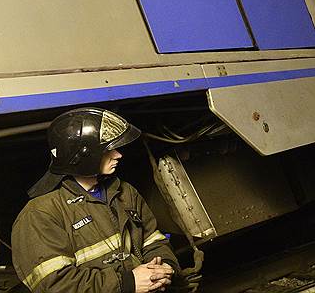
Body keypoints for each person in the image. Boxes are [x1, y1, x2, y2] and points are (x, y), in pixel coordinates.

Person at [11, 107, 188, 293]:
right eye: (107, 150)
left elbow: (153, 240)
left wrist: (165, 267)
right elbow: (55, 285)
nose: (118, 155)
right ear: (83, 156)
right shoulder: (39, 214)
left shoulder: (125, 192)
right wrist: (127, 283)